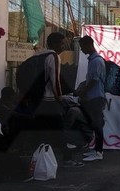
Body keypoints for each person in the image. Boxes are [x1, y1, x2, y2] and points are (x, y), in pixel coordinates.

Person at [33, 32, 84, 167]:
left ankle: (38, 159)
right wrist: (59, 97)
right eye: (62, 43)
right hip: (49, 100)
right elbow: (54, 79)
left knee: (42, 130)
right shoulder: (53, 56)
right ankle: (67, 158)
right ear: (55, 44)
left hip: (37, 99)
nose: (63, 46)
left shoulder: (38, 55)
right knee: (60, 129)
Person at [76, 35, 107, 162]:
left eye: (82, 47)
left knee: (97, 124)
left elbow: (93, 81)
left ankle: (99, 151)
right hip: (94, 96)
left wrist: (82, 92)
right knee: (94, 124)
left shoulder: (96, 61)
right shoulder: (93, 60)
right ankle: (95, 149)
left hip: (96, 97)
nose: (82, 50)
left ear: (89, 45)